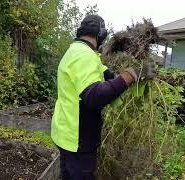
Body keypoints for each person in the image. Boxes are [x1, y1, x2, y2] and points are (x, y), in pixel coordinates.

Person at [51, 15, 156, 180]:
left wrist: (133, 75)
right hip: (77, 139)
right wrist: (132, 74)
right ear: (100, 34)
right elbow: (94, 96)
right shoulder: (82, 55)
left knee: (67, 175)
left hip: (65, 134)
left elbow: (107, 75)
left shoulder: (79, 52)